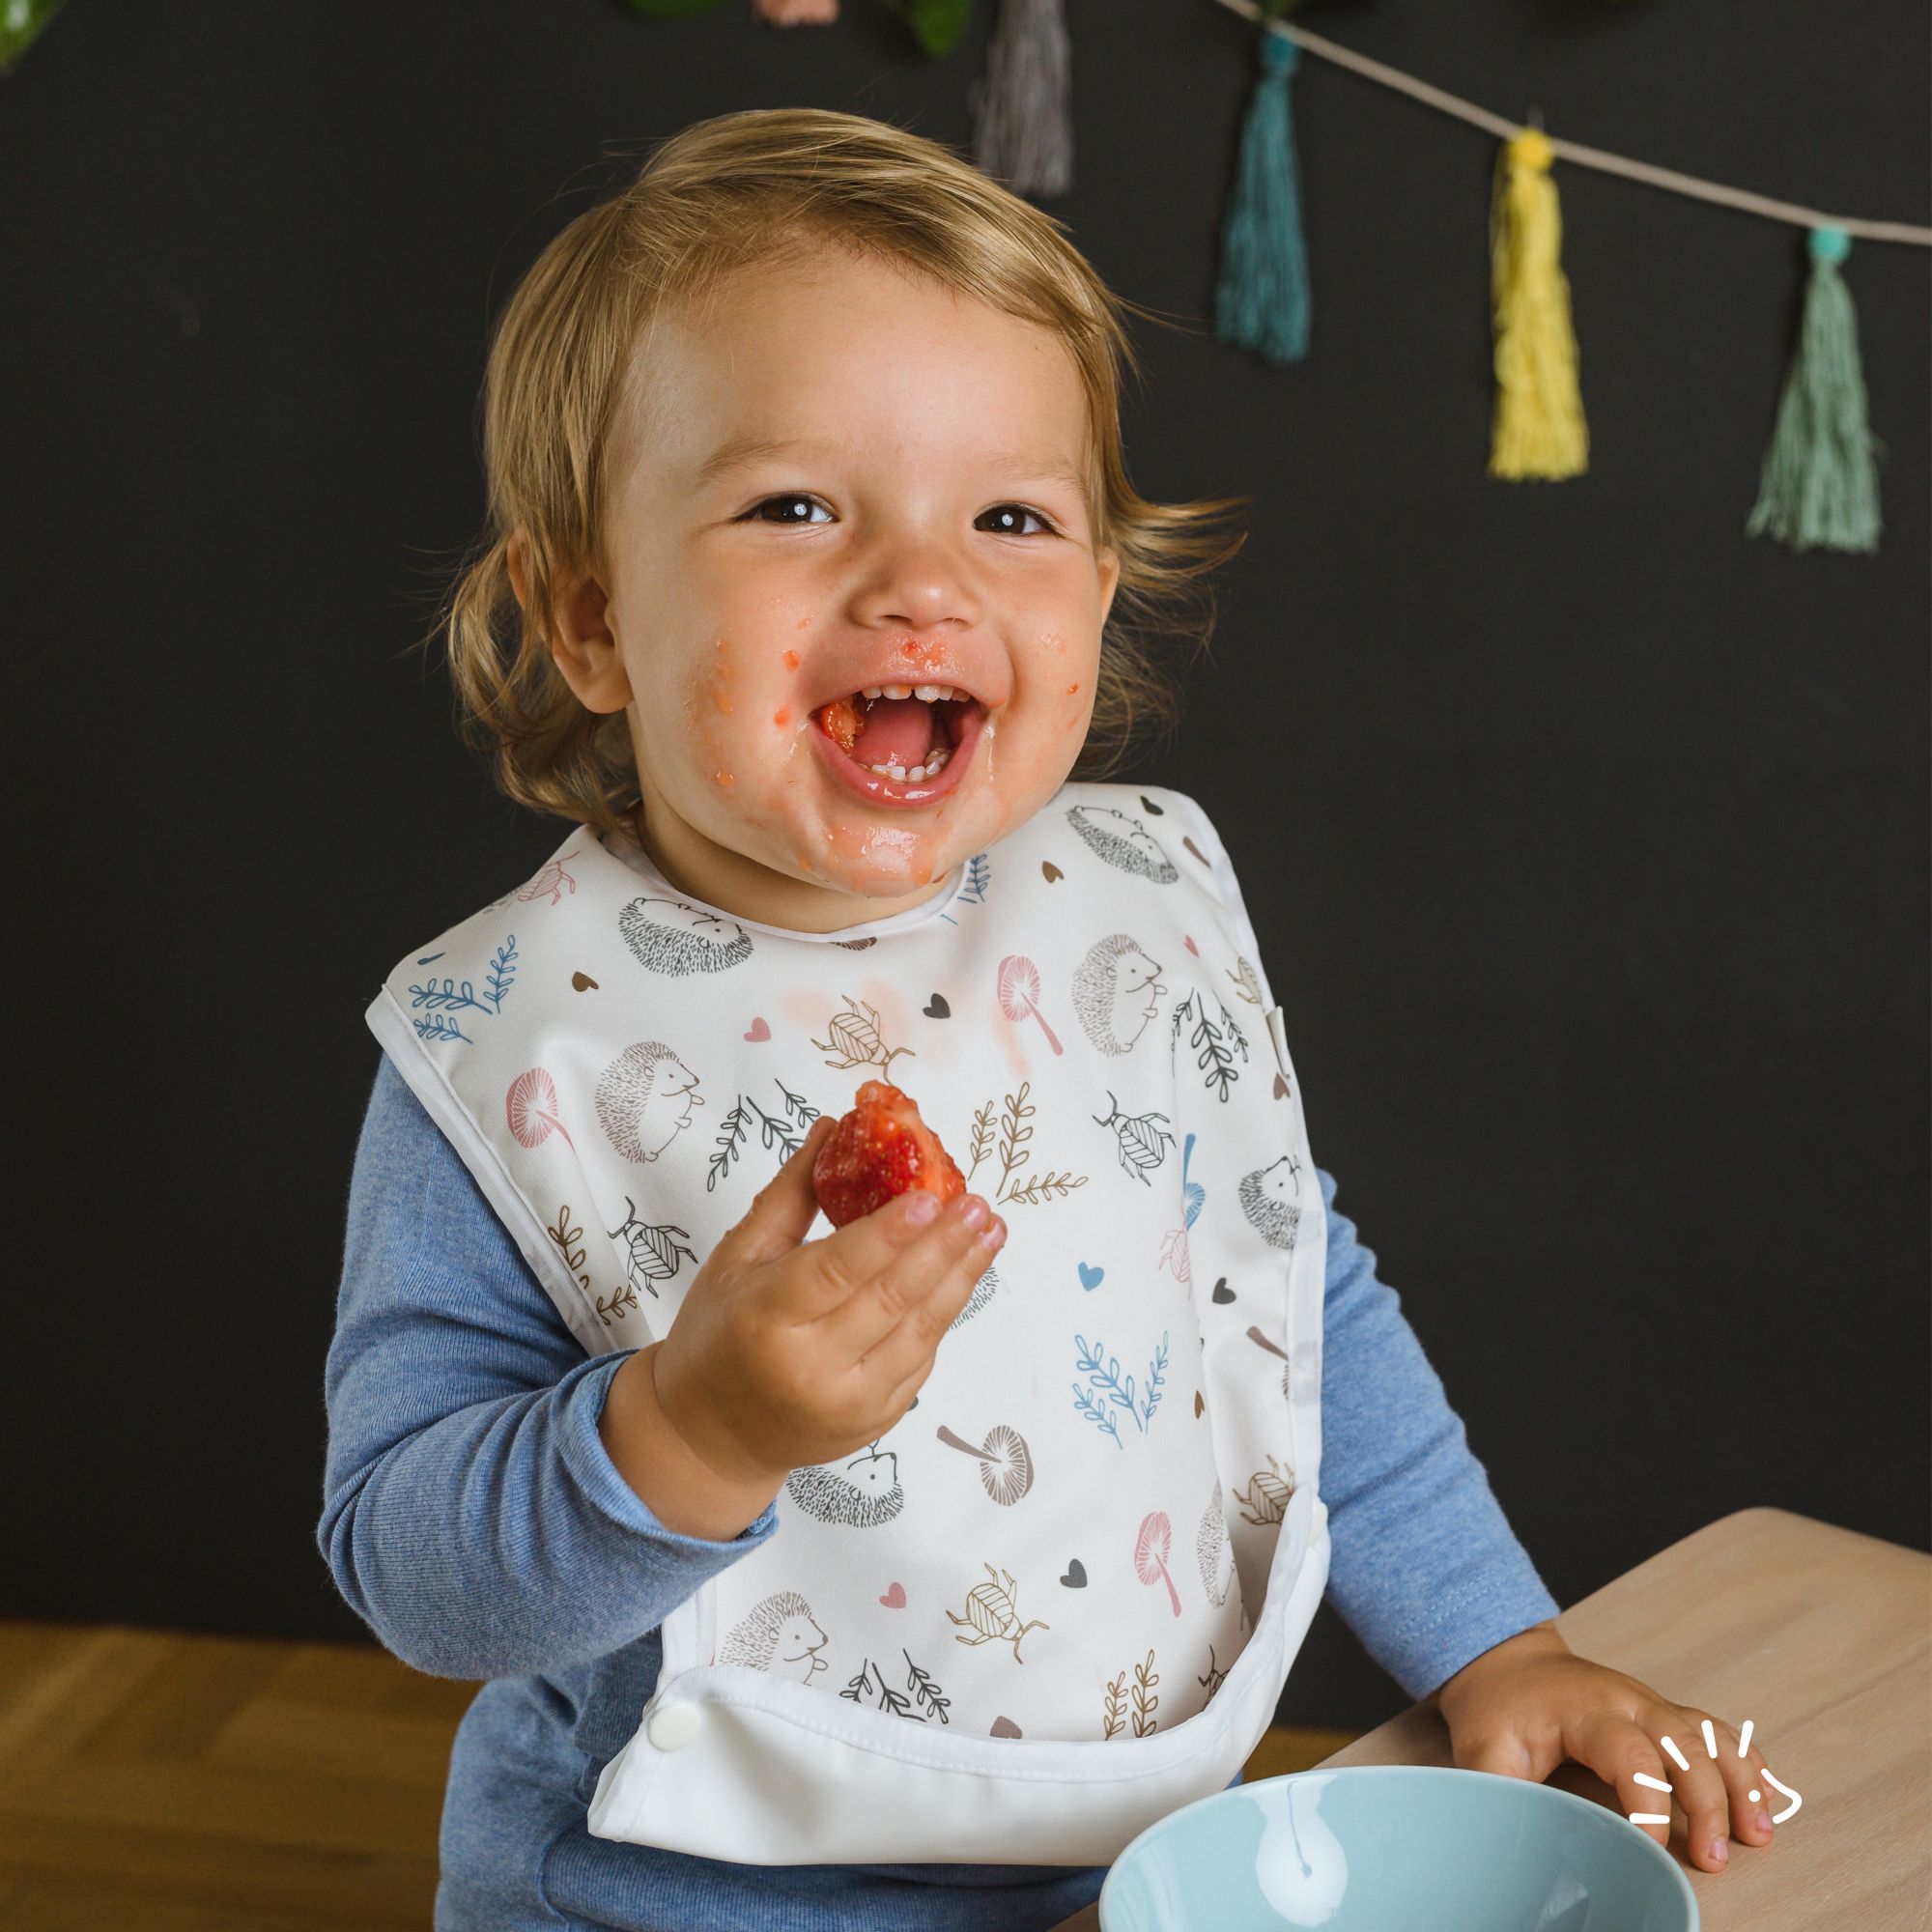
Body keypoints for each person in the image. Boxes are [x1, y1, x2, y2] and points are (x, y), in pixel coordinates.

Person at [319, 105, 1776, 1932]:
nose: (922, 581)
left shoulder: (1128, 912)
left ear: (1096, 593)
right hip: (667, 1897)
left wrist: (1500, 1640)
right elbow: (406, 1568)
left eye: (1011, 516)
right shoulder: (511, 1041)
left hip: (1130, 1858)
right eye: (795, 505)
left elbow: (1285, 1302)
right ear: (589, 613)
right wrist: (691, 1432)